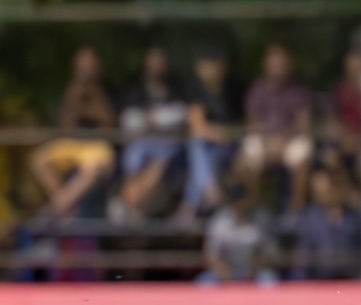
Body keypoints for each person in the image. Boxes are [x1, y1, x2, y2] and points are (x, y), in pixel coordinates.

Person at [30, 46, 117, 218]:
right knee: (38, 161)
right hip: (71, 143)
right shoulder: (69, 90)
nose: (87, 67)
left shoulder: (109, 90)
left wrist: (95, 94)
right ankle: (65, 206)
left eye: (90, 62)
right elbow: (64, 125)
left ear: (98, 65)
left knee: (95, 170)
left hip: (96, 145)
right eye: (83, 62)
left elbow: (110, 124)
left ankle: (59, 206)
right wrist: (75, 97)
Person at [116, 47, 189, 219]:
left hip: (168, 144)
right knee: (133, 164)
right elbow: (128, 120)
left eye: (160, 62)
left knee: (159, 162)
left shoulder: (176, 89)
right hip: (141, 142)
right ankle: (132, 207)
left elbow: (182, 114)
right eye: (153, 61)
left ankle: (129, 207)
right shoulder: (135, 90)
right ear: (146, 64)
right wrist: (160, 118)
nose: (157, 66)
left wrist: (151, 118)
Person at [239, 43, 313, 213]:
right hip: (263, 138)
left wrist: (284, 140)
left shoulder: (299, 91)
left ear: (290, 65)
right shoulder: (257, 89)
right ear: (266, 65)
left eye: (282, 64)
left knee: (303, 157)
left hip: (290, 138)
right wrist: (267, 142)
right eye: (274, 64)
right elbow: (252, 123)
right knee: (242, 164)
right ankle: (255, 202)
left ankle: (296, 209)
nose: (278, 68)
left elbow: (303, 124)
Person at [179, 46, 242, 223]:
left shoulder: (234, 90)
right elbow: (197, 127)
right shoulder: (196, 90)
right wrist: (220, 133)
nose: (209, 70)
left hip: (233, 148)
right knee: (199, 147)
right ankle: (210, 192)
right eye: (205, 65)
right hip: (211, 150)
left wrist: (223, 134)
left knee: (200, 152)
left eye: (213, 65)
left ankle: (190, 205)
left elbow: (242, 127)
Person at [291, 167, 361, 280]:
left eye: (325, 190)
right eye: (317, 191)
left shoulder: (355, 218)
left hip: (353, 283)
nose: (321, 194)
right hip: (321, 284)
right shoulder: (310, 219)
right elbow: (302, 263)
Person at [198, 190, 277, 285]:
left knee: (269, 279)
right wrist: (226, 274)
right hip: (226, 271)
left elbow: (268, 254)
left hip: (253, 272)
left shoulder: (261, 218)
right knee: (205, 282)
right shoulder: (220, 220)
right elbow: (211, 256)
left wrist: (255, 268)